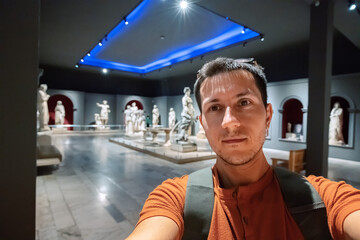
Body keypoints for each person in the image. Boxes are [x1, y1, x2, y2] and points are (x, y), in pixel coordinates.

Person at [126, 58, 360, 240]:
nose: (230, 121)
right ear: (203, 123)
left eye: (244, 103)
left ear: (268, 116)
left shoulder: (325, 198)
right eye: (215, 107)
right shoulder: (174, 198)